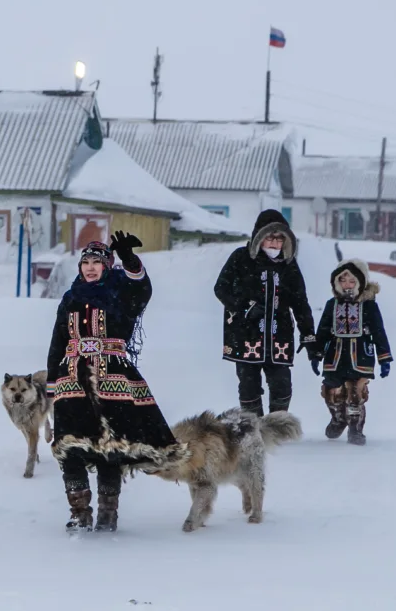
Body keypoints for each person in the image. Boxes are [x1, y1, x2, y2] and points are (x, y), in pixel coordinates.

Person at [48, 234, 187, 534]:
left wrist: (130, 259)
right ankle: (79, 513)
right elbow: (58, 341)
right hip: (72, 380)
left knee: (110, 449)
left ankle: (108, 515)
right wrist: (51, 383)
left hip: (113, 379)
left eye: (97, 262)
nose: (90, 267)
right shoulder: (70, 298)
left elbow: (143, 289)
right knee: (69, 445)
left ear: (107, 266)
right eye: (86, 262)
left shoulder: (121, 292)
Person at [214, 209, 315, 416]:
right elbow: (221, 288)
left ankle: (276, 427)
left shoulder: (289, 265)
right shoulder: (241, 258)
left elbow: (300, 302)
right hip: (246, 335)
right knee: (249, 385)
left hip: (280, 337)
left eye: (279, 239)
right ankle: (255, 427)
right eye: (269, 237)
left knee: (282, 384)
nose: (274, 243)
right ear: (259, 237)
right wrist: (244, 307)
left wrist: (308, 334)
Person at [305, 259, 393, 445]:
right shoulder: (332, 305)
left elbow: (379, 332)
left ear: (360, 283)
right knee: (331, 391)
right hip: (335, 357)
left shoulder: (368, 306)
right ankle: (339, 418)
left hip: (360, 355)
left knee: (355, 393)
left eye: (352, 281)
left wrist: (384, 358)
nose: (347, 285)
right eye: (343, 281)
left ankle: (355, 428)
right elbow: (323, 331)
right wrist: (316, 353)